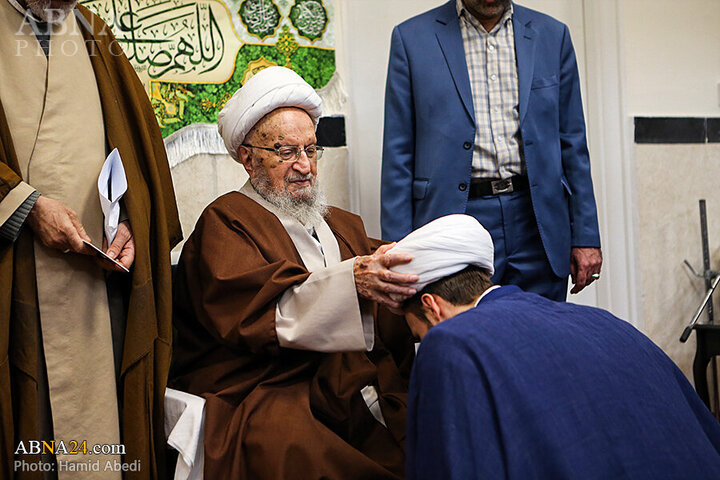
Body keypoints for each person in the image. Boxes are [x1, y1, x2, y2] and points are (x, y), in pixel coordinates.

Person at [170, 66, 418, 480]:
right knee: (291, 444)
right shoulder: (225, 221)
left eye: (311, 150)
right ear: (248, 159)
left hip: (346, 374)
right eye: (287, 152)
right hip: (268, 382)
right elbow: (255, 314)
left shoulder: (340, 221)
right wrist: (351, 282)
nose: (304, 165)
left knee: (427, 417)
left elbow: (381, 274)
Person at [390, 215, 720, 480]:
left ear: (431, 306)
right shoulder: (604, 322)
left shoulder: (451, 343)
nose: (425, 342)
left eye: (419, 333)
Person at [0, 0, 182, 478]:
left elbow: (136, 156)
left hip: (97, 288)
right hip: (13, 283)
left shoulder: (91, 30)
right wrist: (25, 205)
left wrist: (127, 224)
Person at [381, 0, 602, 301]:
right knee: (465, 336)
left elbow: (573, 143)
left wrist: (585, 236)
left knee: (541, 334)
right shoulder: (411, 39)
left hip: (537, 220)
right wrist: (398, 248)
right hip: (455, 217)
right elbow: (398, 153)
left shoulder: (552, 35)